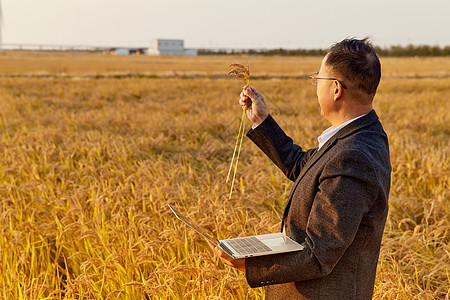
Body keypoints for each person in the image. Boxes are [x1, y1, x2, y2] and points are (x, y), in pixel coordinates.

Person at [210, 38, 391, 299]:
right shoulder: (361, 135)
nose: (315, 86)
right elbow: (303, 166)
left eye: (318, 79)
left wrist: (251, 264)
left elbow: (319, 255)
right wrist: (262, 121)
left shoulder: (353, 154)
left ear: (336, 89)